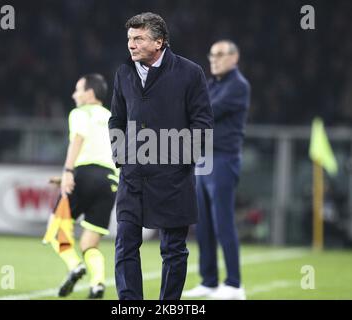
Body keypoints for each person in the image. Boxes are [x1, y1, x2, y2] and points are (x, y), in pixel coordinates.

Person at [108, 12, 213, 300]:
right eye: (130, 38)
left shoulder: (190, 73)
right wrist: (122, 157)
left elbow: (202, 123)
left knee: (173, 249)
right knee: (125, 242)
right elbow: (116, 120)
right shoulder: (123, 73)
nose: (131, 44)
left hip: (173, 176)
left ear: (159, 42)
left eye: (138, 38)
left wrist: (181, 161)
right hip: (133, 175)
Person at [183, 40, 251, 300]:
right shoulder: (213, 84)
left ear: (235, 57)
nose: (214, 59)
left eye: (220, 54)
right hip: (205, 159)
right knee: (204, 225)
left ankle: (234, 284)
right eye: (212, 54)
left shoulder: (238, 86)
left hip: (223, 159)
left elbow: (206, 111)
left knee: (223, 222)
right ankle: (209, 280)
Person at [43, 74, 118, 299]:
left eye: (78, 89)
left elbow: (79, 138)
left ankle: (74, 265)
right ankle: (97, 284)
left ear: (89, 93)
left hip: (83, 174)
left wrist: (68, 172)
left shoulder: (80, 113)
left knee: (57, 230)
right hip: (109, 181)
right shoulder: (114, 117)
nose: (74, 94)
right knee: (90, 243)